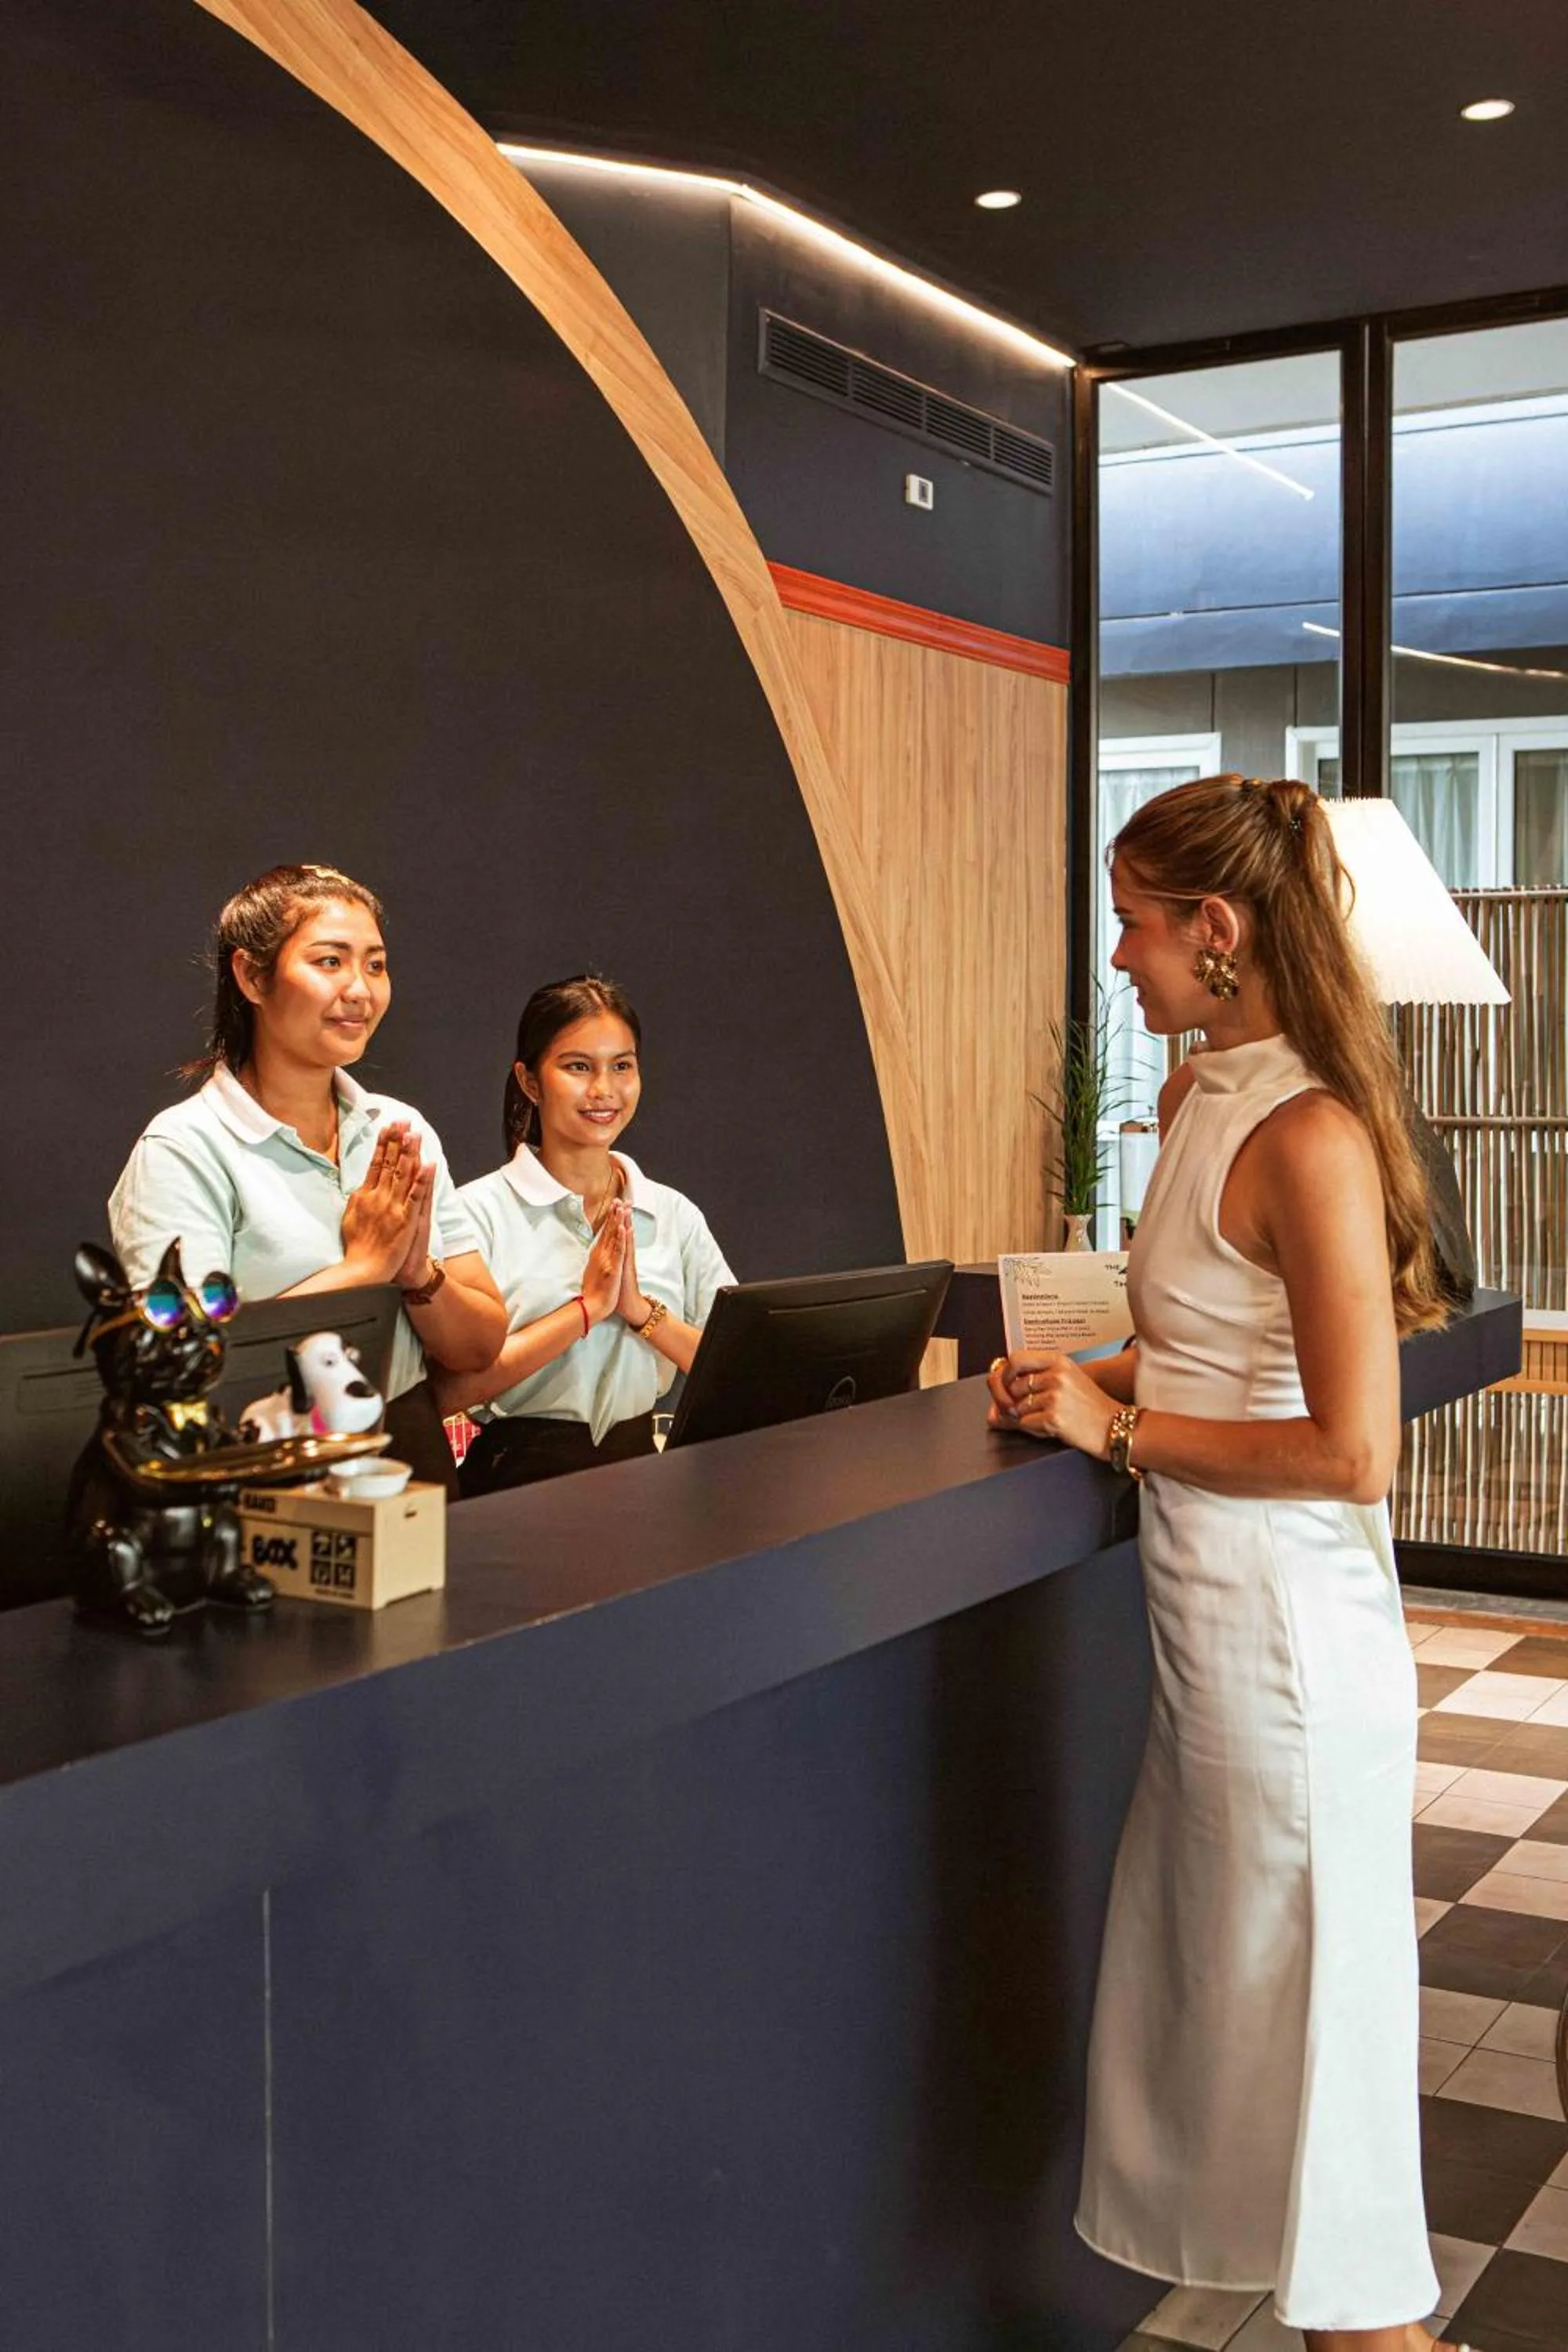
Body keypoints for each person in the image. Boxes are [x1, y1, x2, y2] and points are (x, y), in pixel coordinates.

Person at [987, 777, 1451, 2352]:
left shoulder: (1307, 1131)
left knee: (1317, 2073)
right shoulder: (1195, 1102)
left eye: (1131, 921)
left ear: (1218, 931)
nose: (1114, 955)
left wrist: (1112, 1437)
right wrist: (1091, 1374)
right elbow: (1196, 1333)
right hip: (1212, 1651)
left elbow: (1348, 1453)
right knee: (1254, 2050)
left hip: (1294, 1660)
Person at [109, 863, 507, 1493]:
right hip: (258, 1456)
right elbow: (185, 1363)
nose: (360, 989)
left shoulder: (398, 1131)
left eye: (375, 965)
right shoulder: (185, 1147)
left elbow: (480, 1347)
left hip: (403, 1444)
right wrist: (364, 1270)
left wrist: (415, 1272)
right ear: (251, 976)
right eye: (330, 962)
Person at [437, 975, 732, 1496]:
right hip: (515, 1484)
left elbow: (734, 1368)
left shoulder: (673, 1213)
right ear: (530, 1082)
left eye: (622, 1066)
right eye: (578, 1067)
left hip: (645, 1478)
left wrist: (642, 1312)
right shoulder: (473, 1213)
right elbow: (448, 1389)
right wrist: (585, 1311)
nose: (604, 1090)